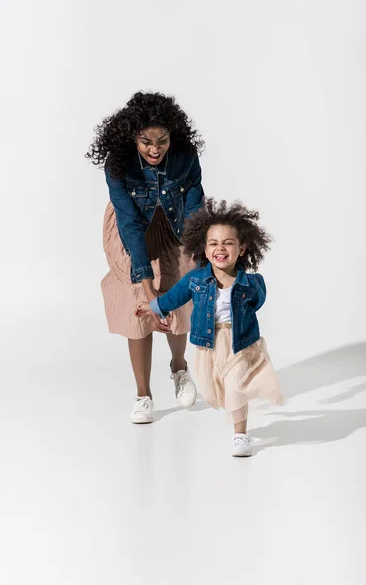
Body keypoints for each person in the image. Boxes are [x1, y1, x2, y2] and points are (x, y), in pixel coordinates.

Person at [86, 91, 205, 424]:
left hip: (175, 229)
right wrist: (145, 279)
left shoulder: (185, 156)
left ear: (173, 136)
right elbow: (128, 221)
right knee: (137, 307)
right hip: (132, 232)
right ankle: (143, 394)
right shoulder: (119, 163)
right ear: (132, 138)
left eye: (162, 141)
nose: (155, 149)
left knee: (178, 301)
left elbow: (195, 207)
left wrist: (201, 252)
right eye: (146, 142)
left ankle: (179, 367)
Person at [135, 198, 284, 457]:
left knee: (236, 387)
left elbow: (258, 301)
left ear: (242, 248)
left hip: (239, 341)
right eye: (213, 243)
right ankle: (232, 406)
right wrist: (153, 307)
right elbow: (174, 298)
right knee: (213, 391)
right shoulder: (196, 279)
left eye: (228, 243)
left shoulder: (250, 282)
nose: (221, 248)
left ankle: (240, 435)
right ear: (204, 250)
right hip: (208, 342)